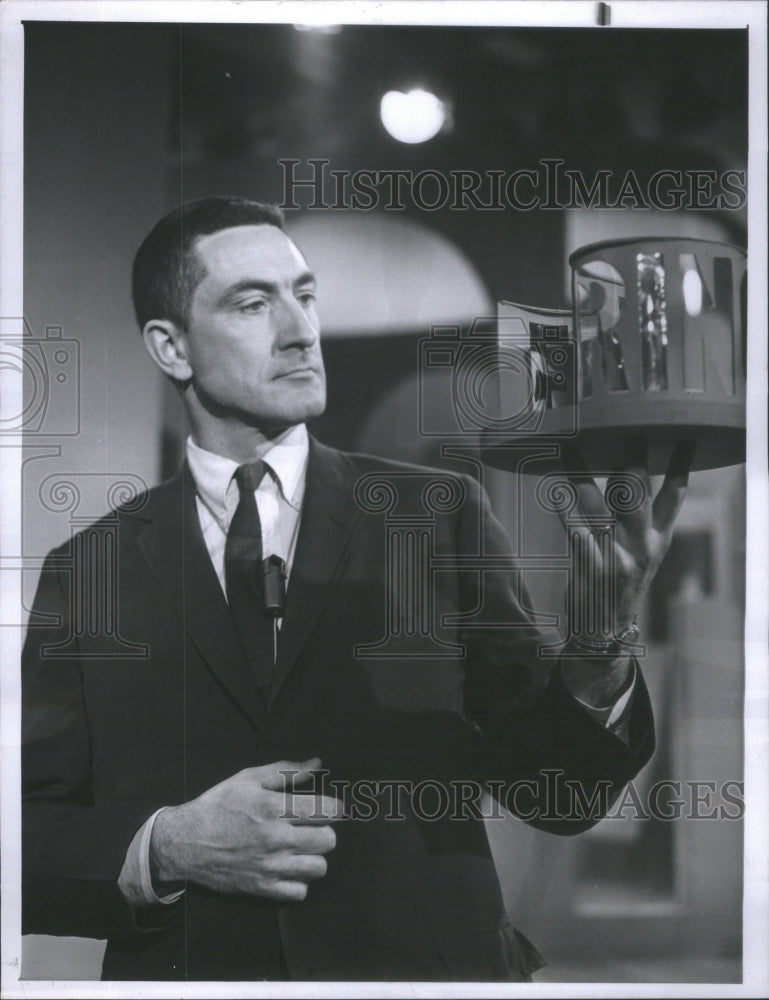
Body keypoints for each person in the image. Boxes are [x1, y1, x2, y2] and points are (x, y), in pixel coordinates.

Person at [22, 196, 691, 982]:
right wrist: (168, 844)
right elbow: (27, 839)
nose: (301, 328)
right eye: (252, 303)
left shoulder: (435, 514)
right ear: (171, 347)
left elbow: (561, 795)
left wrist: (600, 636)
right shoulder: (90, 569)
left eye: (304, 295)